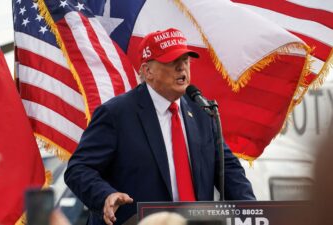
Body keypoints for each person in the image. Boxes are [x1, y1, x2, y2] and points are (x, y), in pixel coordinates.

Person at [64, 28, 255, 225]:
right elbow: (79, 169)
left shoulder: (203, 112)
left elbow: (229, 170)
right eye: (173, 62)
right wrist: (105, 195)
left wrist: (253, 211)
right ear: (148, 71)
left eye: (186, 61)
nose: (182, 68)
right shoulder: (116, 114)